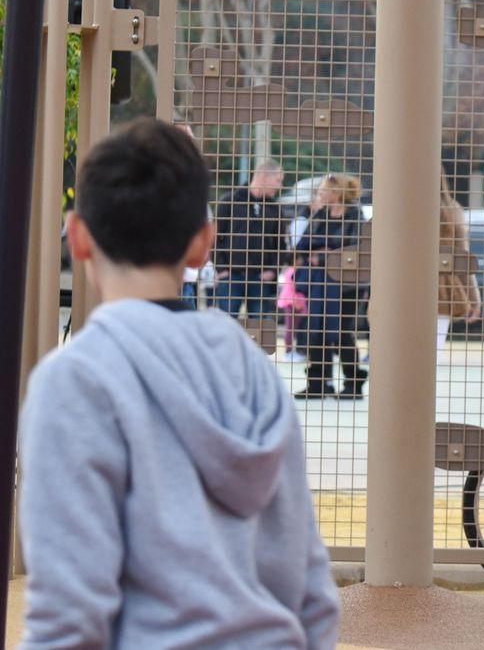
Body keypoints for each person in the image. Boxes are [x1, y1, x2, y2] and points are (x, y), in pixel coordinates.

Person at [18, 117, 339, 648]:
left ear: (76, 236)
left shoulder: (74, 382)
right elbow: (311, 593)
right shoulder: (254, 373)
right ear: (203, 244)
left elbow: (68, 618)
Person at [294, 173, 367, 400]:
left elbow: (357, 251)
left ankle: (353, 383)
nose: (320, 194)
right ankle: (318, 383)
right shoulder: (321, 215)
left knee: (342, 332)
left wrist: (326, 256)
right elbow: (302, 245)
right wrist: (320, 253)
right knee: (316, 330)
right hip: (320, 282)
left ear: (337, 193)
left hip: (347, 286)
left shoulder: (356, 216)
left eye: (324, 190)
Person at [213, 158, 289, 327]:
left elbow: (281, 245)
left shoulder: (275, 208)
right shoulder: (230, 201)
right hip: (231, 276)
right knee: (226, 325)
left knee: (258, 327)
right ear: (264, 177)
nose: (279, 186)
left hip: (259, 278)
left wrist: (272, 270)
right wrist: (221, 268)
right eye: (278, 180)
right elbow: (215, 237)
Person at [438, 174, 482, 351]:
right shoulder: (451, 210)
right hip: (441, 289)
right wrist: (474, 299)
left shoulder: (399, 205)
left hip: (402, 289)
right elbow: (462, 258)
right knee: (432, 351)